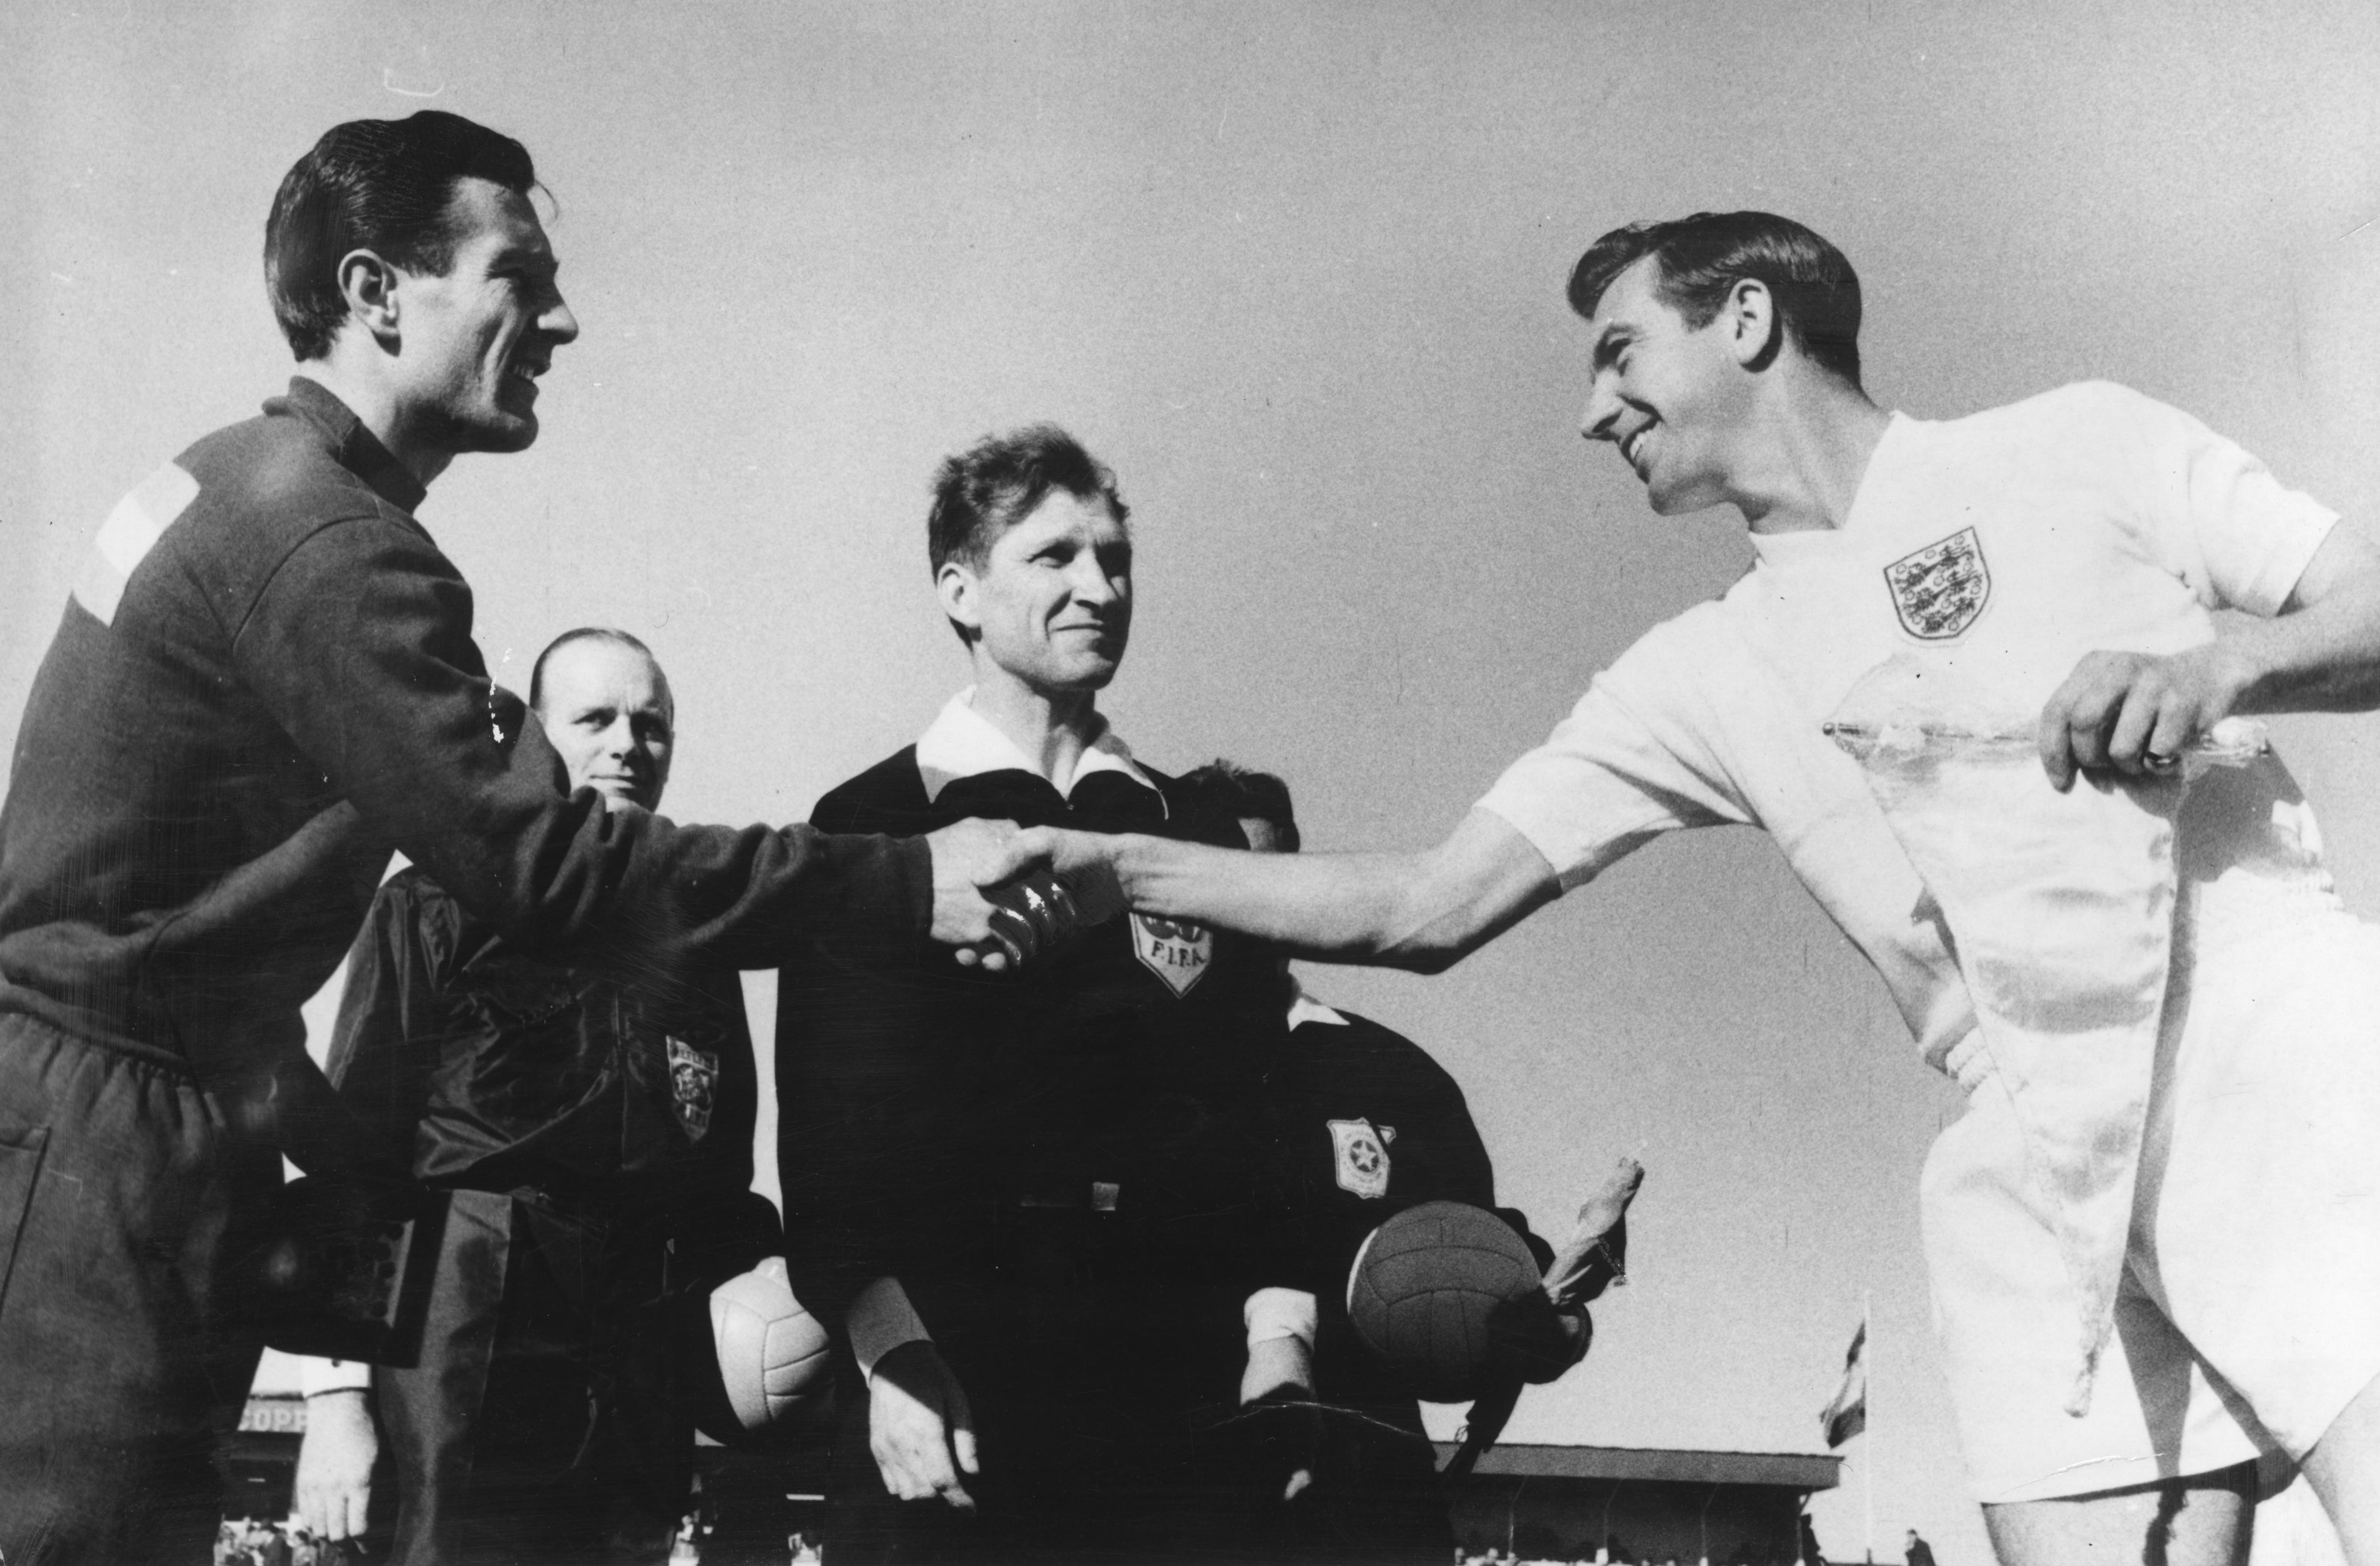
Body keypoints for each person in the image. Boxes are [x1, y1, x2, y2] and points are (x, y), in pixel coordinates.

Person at [1025, 212, 2380, 1566]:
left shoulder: (2077, 442)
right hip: (2010, 1119)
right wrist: (1123, 864)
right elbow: (1432, 903)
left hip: (2246, 1023)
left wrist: (2221, 668)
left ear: (1746, 319)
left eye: (1618, 351)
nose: (1588, 410)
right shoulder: (1703, 670)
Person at [0, 111, 1030, 1563]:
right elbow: (536, 878)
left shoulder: (242, 483)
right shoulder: (330, 546)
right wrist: (908, 881)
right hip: (108, 1151)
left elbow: (161, 906)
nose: (561, 315)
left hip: (133, 1134)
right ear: (375, 294)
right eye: (517, 273)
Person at [775, 426, 1326, 1562]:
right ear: (959, 590)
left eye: (1115, 558)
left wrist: (1280, 1344)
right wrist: (891, 1356)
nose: (1099, 586)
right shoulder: (871, 820)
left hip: (1170, 1392)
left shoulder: (1196, 830)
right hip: (949, 1373)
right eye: (1056, 556)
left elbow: (1258, 1117)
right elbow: (827, 1136)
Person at [284, 628, 779, 1562]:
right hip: (467, 1319)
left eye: (653, 725)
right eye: (596, 719)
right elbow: (352, 1157)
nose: (629, 744)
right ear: (539, 738)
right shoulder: (431, 904)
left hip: (639, 1347)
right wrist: (336, 1395)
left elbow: (724, 1184)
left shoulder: (701, 940)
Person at [1179, 761, 1640, 1563]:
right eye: (1215, 881)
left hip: (1363, 1506)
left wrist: (1554, 1317)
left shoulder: (1390, 1072)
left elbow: (1472, 1263)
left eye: (1264, 879)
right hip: (1163, 1491)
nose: (1241, 911)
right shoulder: (1099, 1070)